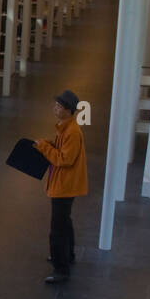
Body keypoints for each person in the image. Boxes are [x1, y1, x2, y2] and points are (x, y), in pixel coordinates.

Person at [34, 90, 88, 284]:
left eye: (58, 106)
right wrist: (47, 143)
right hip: (65, 183)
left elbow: (64, 159)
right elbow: (61, 148)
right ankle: (68, 254)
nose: (54, 108)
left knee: (57, 228)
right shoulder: (66, 127)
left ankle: (61, 268)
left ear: (67, 110)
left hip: (65, 185)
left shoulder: (72, 132)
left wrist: (44, 148)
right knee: (65, 221)